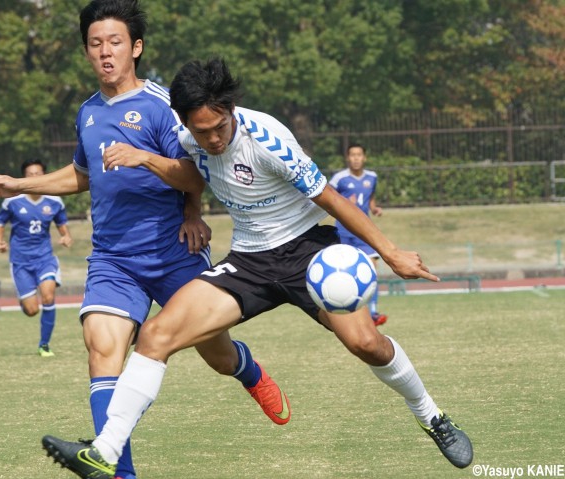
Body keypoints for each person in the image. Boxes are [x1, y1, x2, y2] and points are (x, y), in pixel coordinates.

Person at [38, 58, 473, 478]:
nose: (211, 140)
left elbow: (332, 200)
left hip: (306, 251)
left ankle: (432, 416)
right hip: (249, 260)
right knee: (155, 335)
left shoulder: (267, 138)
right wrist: (192, 212)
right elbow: (189, 176)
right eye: (200, 131)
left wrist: (391, 252)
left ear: (230, 111)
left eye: (218, 128)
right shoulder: (189, 138)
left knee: (365, 344)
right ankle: (105, 452)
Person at [0, 4, 288, 479]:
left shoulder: (162, 106)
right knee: (101, 347)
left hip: (173, 251)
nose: (106, 52)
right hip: (114, 258)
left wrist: (185, 204)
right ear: (86, 51)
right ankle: (119, 471)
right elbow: (82, 174)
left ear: (135, 48)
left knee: (216, 353)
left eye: (115, 42)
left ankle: (249, 371)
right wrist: (20, 185)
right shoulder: (88, 112)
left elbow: (197, 170)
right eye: (96, 44)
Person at [0, 159, 73, 357]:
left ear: (45, 175)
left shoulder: (55, 201)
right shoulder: (12, 201)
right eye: (30, 174)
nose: (35, 177)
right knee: (32, 310)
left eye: (39, 173)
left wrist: (66, 235)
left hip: (45, 258)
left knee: (48, 295)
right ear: (23, 177)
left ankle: (44, 345)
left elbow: (61, 223)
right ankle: (25, 301)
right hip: (20, 261)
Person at [329, 143, 387, 326]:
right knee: (344, 273)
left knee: (372, 271)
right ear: (348, 157)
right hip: (343, 232)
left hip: (364, 231)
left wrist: (374, 208)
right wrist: (345, 203)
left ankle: (373, 312)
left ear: (364, 157)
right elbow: (328, 198)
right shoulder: (339, 178)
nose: (355, 158)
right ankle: (347, 311)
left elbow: (370, 198)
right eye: (352, 155)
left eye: (359, 154)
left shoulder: (372, 177)